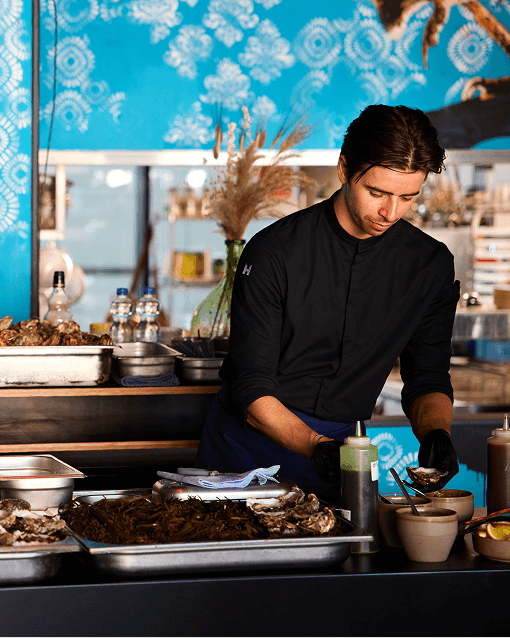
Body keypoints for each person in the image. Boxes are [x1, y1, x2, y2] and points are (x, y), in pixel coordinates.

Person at [196, 104, 460, 504]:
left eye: (407, 197)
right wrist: (317, 447)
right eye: (377, 193)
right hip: (245, 453)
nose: (390, 212)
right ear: (343, 169)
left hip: (341, 450)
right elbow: (251, 389)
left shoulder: (429, 264)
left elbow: (428, 378)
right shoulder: (274, 253)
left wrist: (436, 432)